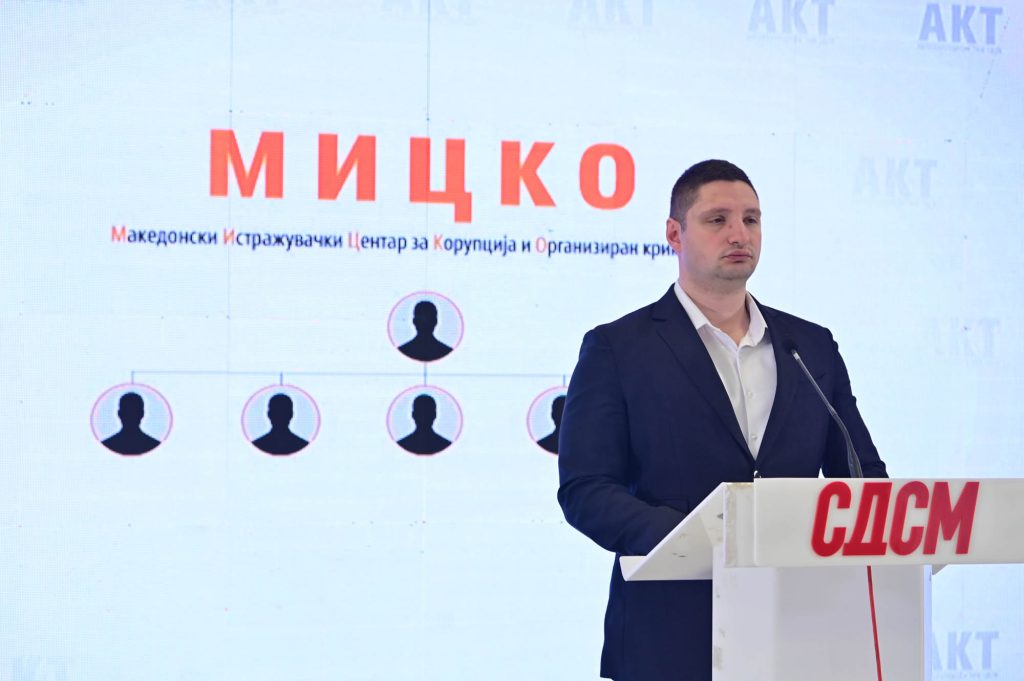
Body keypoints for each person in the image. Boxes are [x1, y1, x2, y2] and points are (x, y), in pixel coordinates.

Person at [556, 159, 887, 681]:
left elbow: (862, 476)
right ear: (674, 234)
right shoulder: (618, 348)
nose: (739, 234)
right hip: (666, 637)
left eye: (751, 219)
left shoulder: (811, 346)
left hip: (798, 632)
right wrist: (695, 540)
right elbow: (586, 489)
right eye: (717, 220)